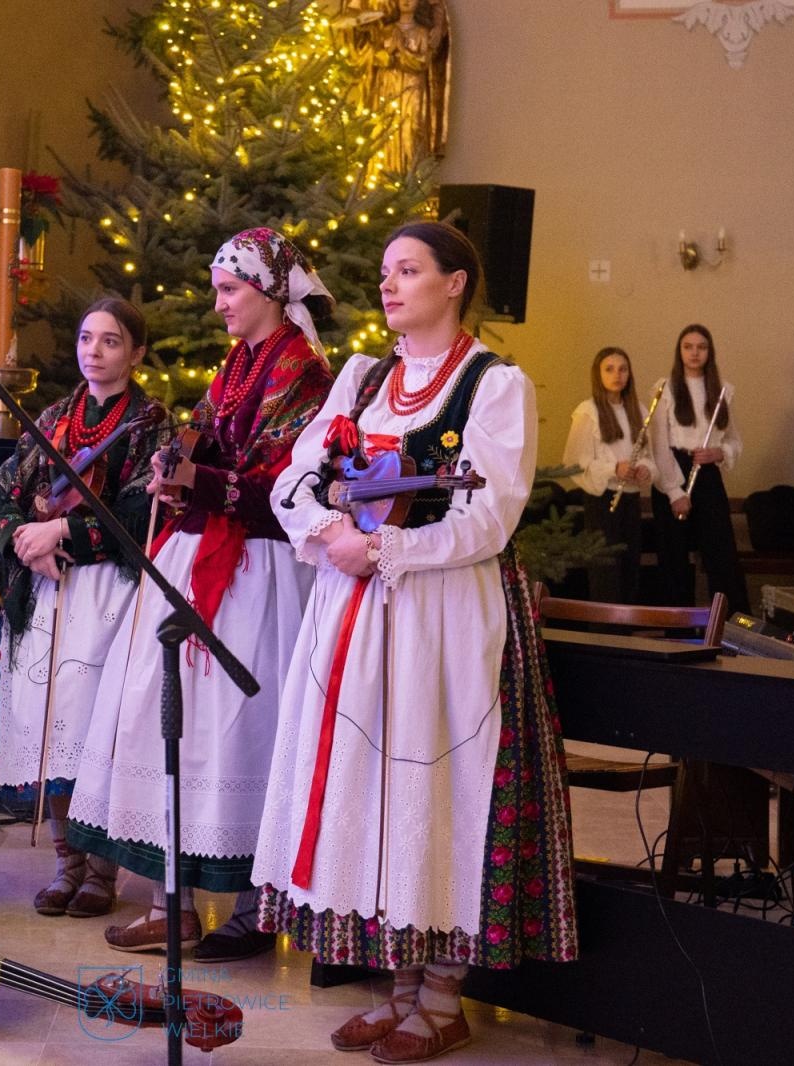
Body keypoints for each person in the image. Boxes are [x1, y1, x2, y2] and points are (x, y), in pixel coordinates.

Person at [254, 220, 577, 1062]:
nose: (390, 285)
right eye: (387, 271)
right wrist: (333, 533)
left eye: (410, 270)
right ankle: (399, 990)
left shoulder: (494, 386)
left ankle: (441, 998)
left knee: (438, 787)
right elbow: (295, 475)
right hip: (353, 607)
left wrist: (390, 547)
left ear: (456, 282)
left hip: (443, 615)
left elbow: (490, 516)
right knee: (372, 788)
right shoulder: (361, 380)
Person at [68, 227, 335, 962]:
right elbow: (206, 434)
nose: (217, 304)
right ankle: (170, 904)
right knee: (166, 720)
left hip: (259, 571)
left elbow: (288, 486)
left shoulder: (304, 371)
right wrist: (174, 460)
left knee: (237, 728)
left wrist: (205, 480)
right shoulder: (242, 360)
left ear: (270, 290)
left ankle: (246, 909)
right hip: (205, 553)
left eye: (228, 290)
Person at [0, 297, 170, 920]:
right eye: (86, 338)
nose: (94, 351)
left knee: (92, 730)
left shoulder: (150, 423)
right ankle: (66, 863)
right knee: (48, 726)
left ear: (136, 353)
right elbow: (0, 489)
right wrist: (23, 543)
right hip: (45, 589)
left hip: (107, 593)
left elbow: (143, 515)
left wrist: (68, 536)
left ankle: (101, 871)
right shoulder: (55, 416)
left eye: (111, 341)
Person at [649, 323, 749, 613]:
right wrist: (673, 491)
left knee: (721, 554)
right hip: (673, 474)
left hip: (707, 474)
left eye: (701, 347)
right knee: (674, 557)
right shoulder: (664, 388)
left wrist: (720, 452)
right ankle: (677, 629)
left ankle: (732, 627)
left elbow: (734, 440)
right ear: (679, 351)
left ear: (710, 352)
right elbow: (658, 445)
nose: (694, 353)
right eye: (688, 347)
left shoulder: (722, 391)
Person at [562, 346, 653, 604]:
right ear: (598, 374)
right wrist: (614, 469)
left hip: (631, 500)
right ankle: (605, 637)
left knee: (629, 569)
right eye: (609, 369)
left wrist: (644, 469)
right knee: (605, 575)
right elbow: (573, 462)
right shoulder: (587, 411)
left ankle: (625, 636)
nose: (617, 375)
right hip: (602, 502)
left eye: (623, 369)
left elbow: (649, 456)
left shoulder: (640, 410)